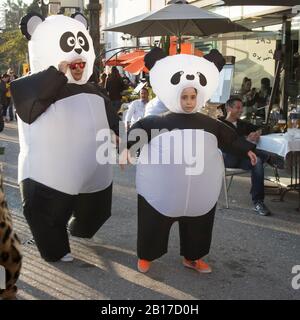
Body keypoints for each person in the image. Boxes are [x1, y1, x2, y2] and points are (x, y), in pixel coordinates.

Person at [122, 48, 257, 274]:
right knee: (153, 222)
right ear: (176, 97)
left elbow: (229, 138)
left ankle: (193, 257)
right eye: (184, 97)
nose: (188, 101)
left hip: (199, 191)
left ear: (198, 97)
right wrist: (127, 149)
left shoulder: (209, 123)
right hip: (163, 190)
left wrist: (248, 150)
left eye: (192, 97)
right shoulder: (158, 121)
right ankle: (147, 256)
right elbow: (139, 129)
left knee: (199, 223)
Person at [11, 12, 120, 263]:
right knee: (47, 215)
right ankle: (55, 250)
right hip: (50, 174)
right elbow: (30, 111)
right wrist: (56, 75)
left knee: (97, 212)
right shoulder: (28, 86)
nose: (77, 52)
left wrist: (115, 133)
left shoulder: (92, 88)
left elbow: (107, 113)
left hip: (94, 169)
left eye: (81, 43)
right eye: (68, 45)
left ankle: (80, 228)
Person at [219, 96, 272, 216]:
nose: (241, 110)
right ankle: (267, 157)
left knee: (257, 162)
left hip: (243, 158)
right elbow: (227, 144)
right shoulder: (220, 124)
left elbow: (264, 127)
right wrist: (246, 140)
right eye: (238, 107)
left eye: (241, 108)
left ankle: (258, 202)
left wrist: (257, 133)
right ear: (228, 108)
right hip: (228, 159)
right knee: (256, 155)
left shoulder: (242, 124)